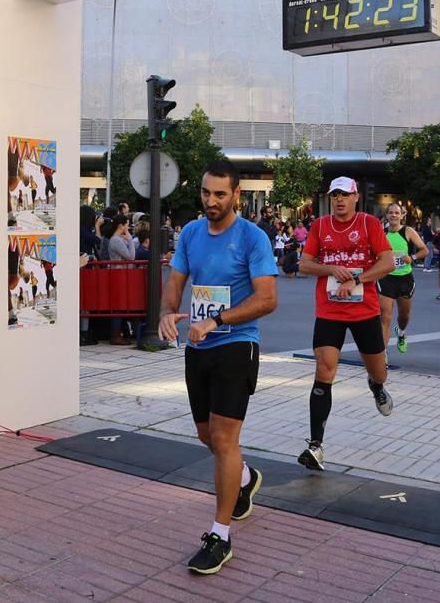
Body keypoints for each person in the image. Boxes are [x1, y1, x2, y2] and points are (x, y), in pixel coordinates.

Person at [157, 159, 278, 575]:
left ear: (236, 195)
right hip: (199, 345)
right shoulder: (191, 232)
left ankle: (219, 535)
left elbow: (267, 299)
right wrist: (167, 312)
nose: (211, 201)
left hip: (237, 344)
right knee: (207, 436)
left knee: (225, 438)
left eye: (220, 194)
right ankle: (244, 478)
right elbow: (176, 281)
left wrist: (217, 319)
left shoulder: (252, 238)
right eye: (206, 193)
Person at [298, 177, 396, 474]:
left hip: (364, 311)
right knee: (324, 370)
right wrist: (331, 268)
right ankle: (316, 445)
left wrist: (356, 279)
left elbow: (388, 262)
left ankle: (376, 385)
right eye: (334, 195)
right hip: (329, 311)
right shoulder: (320, 226)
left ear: (356, 198)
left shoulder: (368, 224)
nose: (339, 200)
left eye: (345, 195)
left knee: (379, 371)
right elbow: (304, 264)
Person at [378, 202, 427, 354]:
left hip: (405, 279)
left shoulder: (408, 231)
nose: (393, 215)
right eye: (390, 212)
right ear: (386, 215)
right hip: (386, 278)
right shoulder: (381, 233)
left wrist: (411, 257)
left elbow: (424, 250)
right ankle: (382, 354)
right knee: (385, 317)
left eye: (396, 213)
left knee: (404, 316)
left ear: (401, 216)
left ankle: (401, 332)